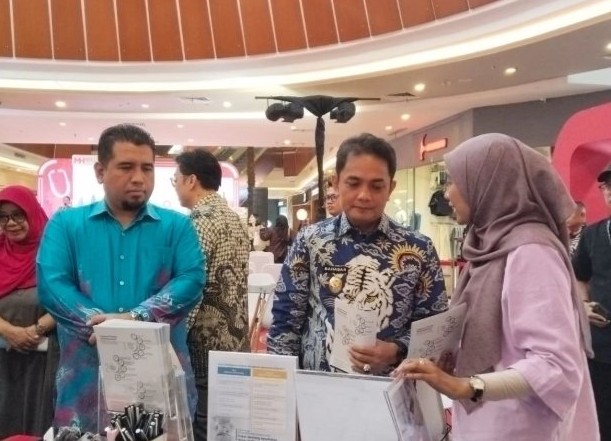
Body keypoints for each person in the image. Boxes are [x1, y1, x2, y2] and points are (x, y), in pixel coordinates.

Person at [396, 133, 598, 440]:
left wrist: (466, 386)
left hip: (524, 427)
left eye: (457, 181)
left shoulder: (530, 252)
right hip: (492, 422)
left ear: (489, 183)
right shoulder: (490, 247)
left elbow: (555, 364)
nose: (447, 193)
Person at [37, 124, 205, 432]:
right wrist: (106, 329)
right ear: (100, 171)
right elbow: (52, 284)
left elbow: (191, 280)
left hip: (160, 383)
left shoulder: (177, 227)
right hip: (85, 381)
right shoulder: (65, 225)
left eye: (147, 168)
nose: (139, 178)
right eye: (126, 167)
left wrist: (136, 318)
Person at [267, 133, 447, 375]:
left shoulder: (418, 249)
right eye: (353, 183)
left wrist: (397, 350)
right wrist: (281, 383)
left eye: (376, 186)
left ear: (391, 188)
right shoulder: (310, 241)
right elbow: (285, 319)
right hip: (318, 386)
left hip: (391, 387)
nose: (364, 195)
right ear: (336, 183)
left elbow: (434, 327)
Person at [172, 148, 250, 441]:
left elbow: (192, 287)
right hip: (236, 339)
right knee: (226, 423)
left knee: (204, 422)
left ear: (191, 180)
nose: (176, 186)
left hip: (206, 344)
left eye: (176, 179)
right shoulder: (234, 218)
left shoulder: (199, 221)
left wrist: (174, 338)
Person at [0, 185, 59, 440]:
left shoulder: (56, 253)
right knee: (0, 427)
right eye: (3, 217)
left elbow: (70, 300)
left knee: (40, 427)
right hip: (3, 365)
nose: (10, 223)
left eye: (18, 214)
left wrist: (36, 329)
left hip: (46, 364)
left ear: (32, 212)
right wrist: (10, 332)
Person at [572, 163, 611, 440]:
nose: (610, 191)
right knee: (603, 420)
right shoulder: (593, 234)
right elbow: (579, 277)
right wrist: (584, 305)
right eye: (607, 186)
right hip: (602, 346)